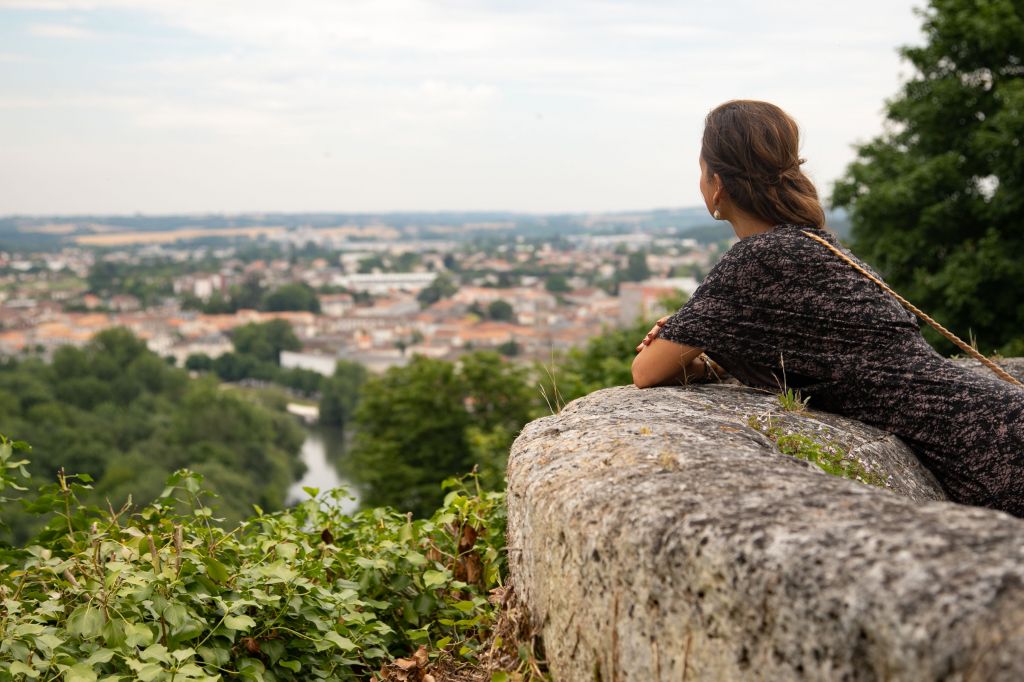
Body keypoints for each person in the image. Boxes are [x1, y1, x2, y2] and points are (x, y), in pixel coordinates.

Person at [631, 99, 1024, 519]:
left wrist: (689, 336)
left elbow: (645, 371)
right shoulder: (816, 244)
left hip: (980, 444)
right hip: (989, 416)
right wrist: (710, 353)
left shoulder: (755, 259)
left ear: (718, 184)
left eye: (701, 169)